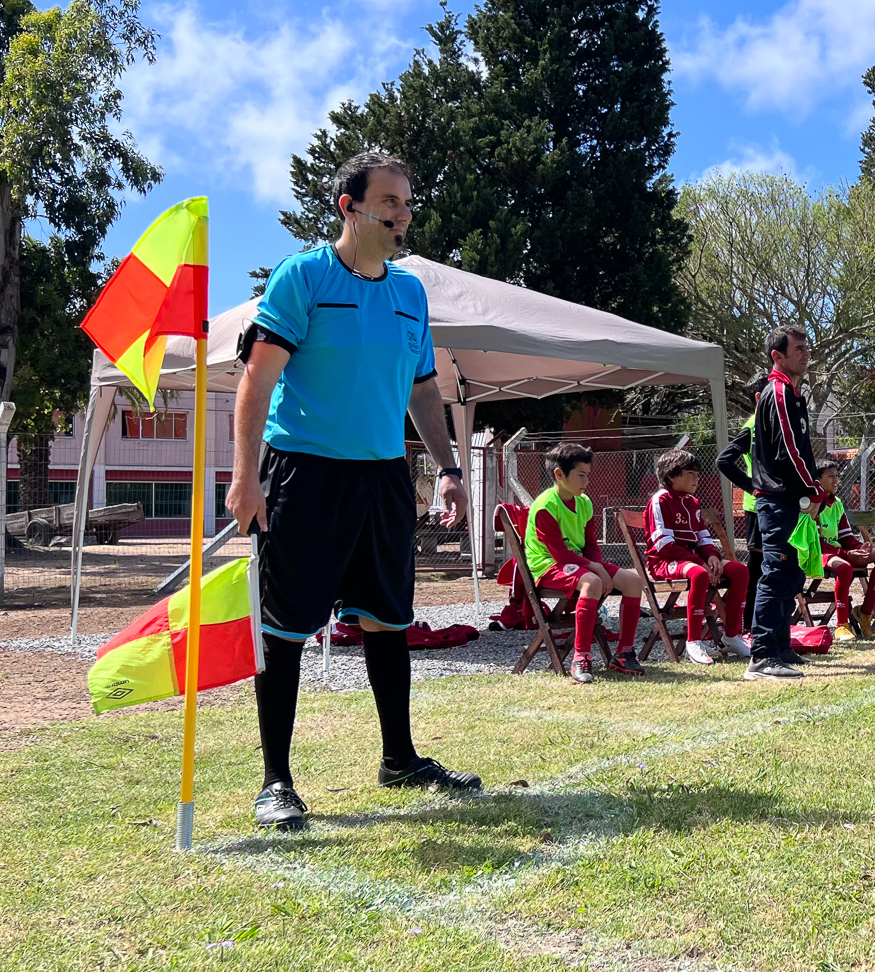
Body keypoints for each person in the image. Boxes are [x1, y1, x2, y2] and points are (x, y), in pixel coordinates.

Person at [228, 151, 480, 832]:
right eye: (391, 201)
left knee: (388, 619)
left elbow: (423, 390)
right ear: (350, 206)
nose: (403, 213)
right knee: (284, 628)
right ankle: (276, 780)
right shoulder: (303, 278)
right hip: (304, 475)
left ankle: (399, 758)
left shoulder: (409, 294)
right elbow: (256, 381)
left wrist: (449, 470)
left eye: (406, 201)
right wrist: (244, 475)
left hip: (383, 479)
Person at [525, 442, 646, 684]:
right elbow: (559, 553)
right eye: (581, 475)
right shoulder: (545, 506)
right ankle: (581, 658)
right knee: (591, 582)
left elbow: (590, 544)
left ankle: (623, 654)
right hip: (547, 565)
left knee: (634, 582)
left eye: (588, 475)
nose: (586, 481)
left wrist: (598, 564)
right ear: (559, 474)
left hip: (578, 563)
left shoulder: (585, 502)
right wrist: (596, 569)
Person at [746, 325, 824, 680]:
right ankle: (761, 658)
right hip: (779, 499)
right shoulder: (776, 392)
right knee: (775, 574)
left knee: (792, 575)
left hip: (793, 498)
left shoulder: (793, 394)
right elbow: (789, 452)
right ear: (777, 356)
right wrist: (814, 489)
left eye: (807, 347)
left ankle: (780, 648)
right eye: (799, 349)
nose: (806, 354)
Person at [644, 449, 752, 664]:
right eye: (690, 473)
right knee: (700, 573)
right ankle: (694, 642)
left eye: (697, 473)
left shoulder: (693, 502)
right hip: (664, 562)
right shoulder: (660, 501)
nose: (697, 478)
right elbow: (663, 545)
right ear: (672, 475)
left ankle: (731, 636)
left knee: (740, 570)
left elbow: (703, 538)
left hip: (695, 560)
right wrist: (700, 562)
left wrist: (712, 556)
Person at [715, 372, 769, 650]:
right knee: (758, 570)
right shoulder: (752, 426)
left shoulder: (779, 424)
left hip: (779, 508)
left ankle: (768, 628)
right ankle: (748, 628)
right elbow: (724, 461)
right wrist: (753, 488)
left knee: (780, 568)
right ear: (760, 397)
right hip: (757, 509)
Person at [813, 461, 875, 642]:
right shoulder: (813, 502)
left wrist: (859, 547)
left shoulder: (837, 502)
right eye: (830, 477)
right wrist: (846, 554)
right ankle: (842, 626)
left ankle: (864, 613)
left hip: (838, 551)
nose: (836, 481)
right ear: (817, 480)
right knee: (845, 567)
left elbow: (845, 536)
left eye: (837, 476)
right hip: (817, 553)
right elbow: (816, 542)